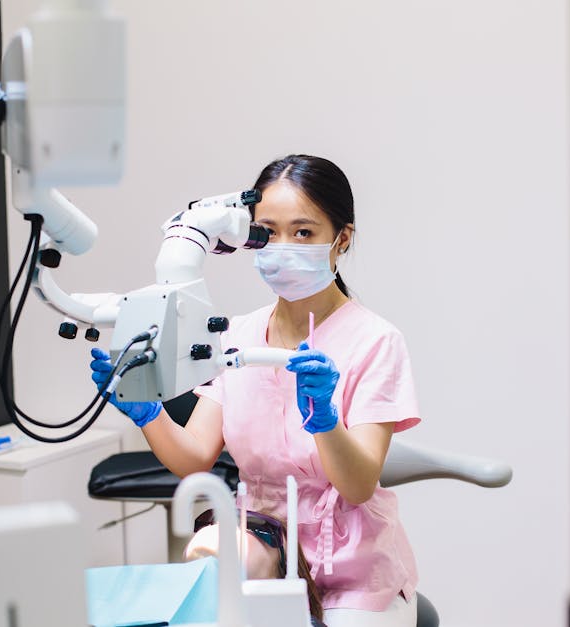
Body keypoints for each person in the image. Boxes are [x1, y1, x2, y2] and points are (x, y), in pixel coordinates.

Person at [90, 154, 422, 627]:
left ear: (341, 238)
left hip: (352, 569)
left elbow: (358, 484)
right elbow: (194, 458)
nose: (283, 247)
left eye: (303, 232)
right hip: (261, 545)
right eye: (268, 231)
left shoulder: (376, 341)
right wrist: (148, 413)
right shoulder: (235, 337)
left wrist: (325, 420)